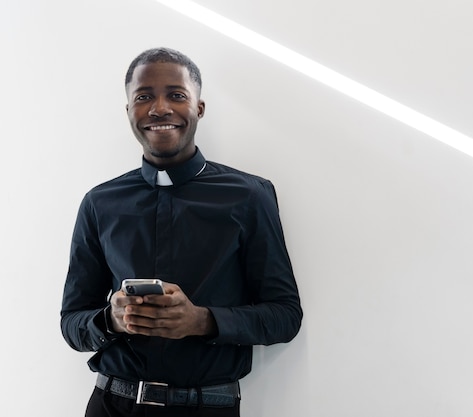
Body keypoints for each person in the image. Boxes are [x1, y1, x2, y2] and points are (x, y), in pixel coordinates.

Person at [60, 47, 303, 417]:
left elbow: (285, 316)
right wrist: (110, 318)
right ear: (129, 111)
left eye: (176, 95)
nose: (159, 108)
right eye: (143, 97)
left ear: (198, 108)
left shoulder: (250, 196)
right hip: (112, 405)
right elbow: (72, 321)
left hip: (207, 407)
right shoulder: (99, 203)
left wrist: (202, 321)